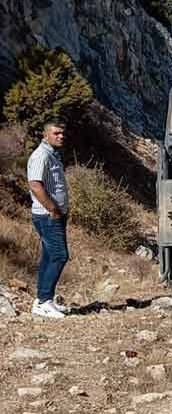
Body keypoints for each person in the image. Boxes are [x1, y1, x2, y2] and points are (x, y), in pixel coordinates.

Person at [27, 120, 71, 319]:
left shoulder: (52, 155)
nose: (61, 136)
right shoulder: (41, 155)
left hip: (54, 215)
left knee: (48, 256)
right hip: (47, 216)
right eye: (56, 133)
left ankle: (42, 300)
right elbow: (35, 185)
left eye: (62, 133)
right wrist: (53, 209)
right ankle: (44, 302)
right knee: (59, 255)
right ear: (45, 135)